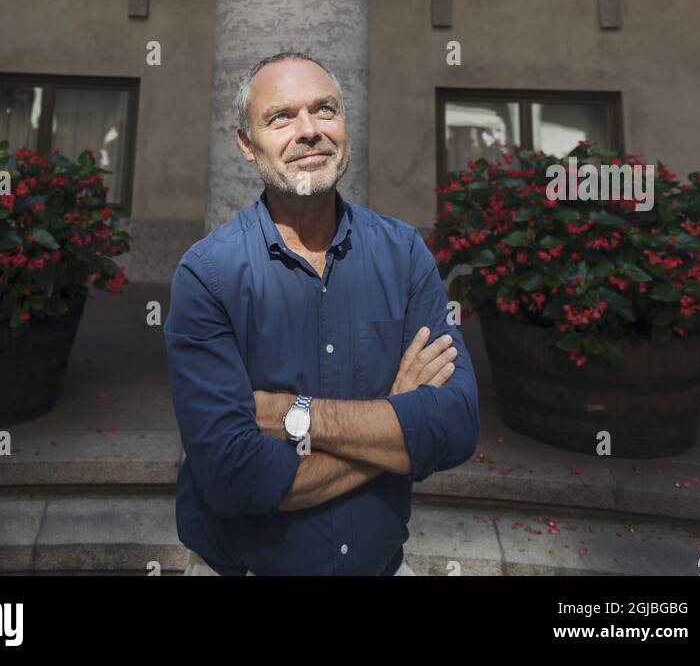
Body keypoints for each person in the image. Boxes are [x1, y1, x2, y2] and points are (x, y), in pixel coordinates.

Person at [164, 51, 479, 576]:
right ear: (246, 143)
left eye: (325, 110)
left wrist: (294, 413)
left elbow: (456, 424)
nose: (308, 131)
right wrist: (397, 416)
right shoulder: (208, 273)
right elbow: (233, 476)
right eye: (281, 117)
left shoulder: (403, 253)